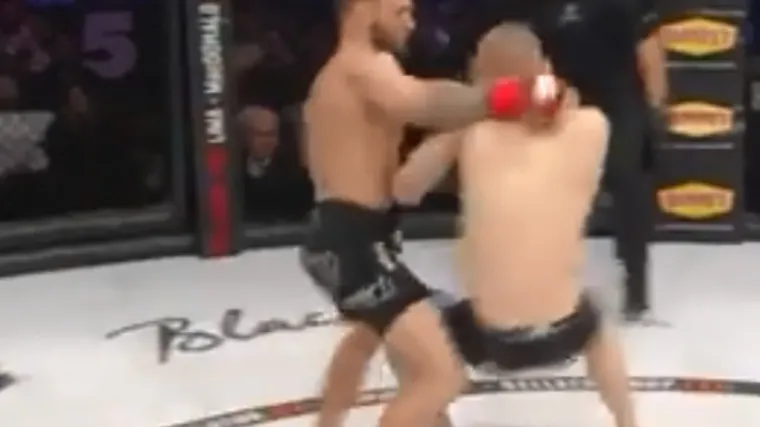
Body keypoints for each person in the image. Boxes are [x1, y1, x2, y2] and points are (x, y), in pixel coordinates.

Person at [297, 1, 565, 427]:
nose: (412, 23)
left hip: (353, 237)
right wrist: (505, 95)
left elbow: (392, 180)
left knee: (381, 349)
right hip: (353, 244)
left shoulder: (337, 80)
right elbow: (421, 103)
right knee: (440, 376)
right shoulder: (361, 67)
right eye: (401, 11)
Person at [394, 23, 639, 427]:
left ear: (482, 82)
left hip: (488, 338)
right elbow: (567, 101)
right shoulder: (593, 127)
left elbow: (404, 189)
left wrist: (469, 114)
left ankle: (435, 412)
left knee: (406, 335)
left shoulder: (473, 135)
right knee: (596, 315)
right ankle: (627, 422)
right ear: (546, 68)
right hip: (567, 330)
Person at [467, 0, 668, 320]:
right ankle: (534, 282)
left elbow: (649, 48)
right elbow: (524, 53)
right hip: (560, 93)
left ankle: (637, 287)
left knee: (627, 179)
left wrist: (655, 109)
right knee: (541, 183)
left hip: (621, 97)